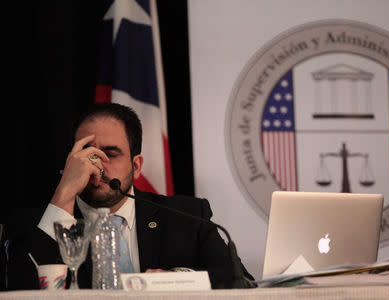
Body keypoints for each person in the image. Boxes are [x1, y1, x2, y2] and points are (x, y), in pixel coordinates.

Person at [7, 102, 253, 289]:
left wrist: (177, 280)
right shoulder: (32, 224)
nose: (98, 165)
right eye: (87, 153)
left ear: (136, 166)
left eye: (110, 154)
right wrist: (65, 192)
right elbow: (18, 285)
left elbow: (241, 282)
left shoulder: (187, 216)